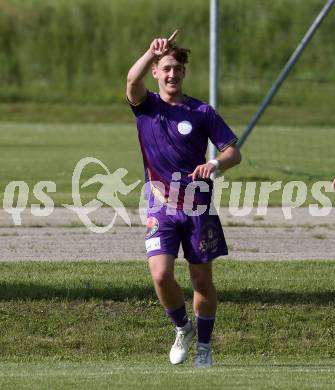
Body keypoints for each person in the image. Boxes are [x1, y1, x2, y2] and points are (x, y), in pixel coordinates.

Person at [126, 31, 241, 368]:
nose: (172, 73)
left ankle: (205, 345)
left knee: (201, 280)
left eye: (177, 68)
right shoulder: (146, 106)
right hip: (160, 205)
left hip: (197, 207)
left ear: (183, 72)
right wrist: (149, 52)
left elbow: (234, 152)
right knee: (160, 275)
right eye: (165, 68)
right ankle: (182, 329)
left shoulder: (202, 111)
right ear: (156, 74)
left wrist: (215, 163)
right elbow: (131, 80)